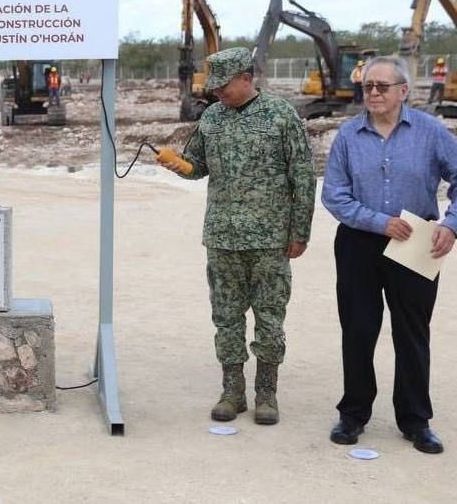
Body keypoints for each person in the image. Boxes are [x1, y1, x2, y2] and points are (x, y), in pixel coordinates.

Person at [160, 47, 315, 425]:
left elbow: (303, 176)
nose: (217, 93)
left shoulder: (281, 116)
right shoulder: (211, 118)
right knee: (226, 317)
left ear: (246, 78)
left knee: (269, 318)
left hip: (270, 239)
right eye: (213, 87)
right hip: (223, 236)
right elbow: (196, 166)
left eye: (223, 85)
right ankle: (232, 392)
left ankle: (266, 393)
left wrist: (300, 231)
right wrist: (178, 163)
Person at [322, 55, 456, 454]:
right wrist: (379, 222)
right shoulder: (347, 136)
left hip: (417, 242)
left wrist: (451, 224)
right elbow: (335, 195)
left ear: (404, 91)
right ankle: (353, 414)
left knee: (412, 333)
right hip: (359, 243)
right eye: (368, 87)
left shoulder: (432, 133)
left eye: (383, 86)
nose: (374, 93)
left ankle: (416, 420)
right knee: (359, 329)